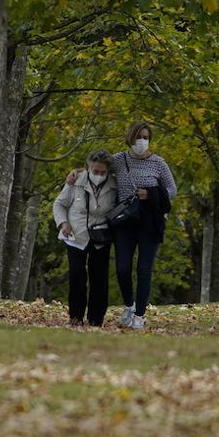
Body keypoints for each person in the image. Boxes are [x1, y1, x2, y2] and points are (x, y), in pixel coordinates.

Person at [68, 122, 177, 329]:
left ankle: (140, 315)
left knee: (144, 268)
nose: (142, 141)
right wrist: (75, 172)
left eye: (145, 137)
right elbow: (98, 167)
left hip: (149, 222)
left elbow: (172, 190)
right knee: (122, 268)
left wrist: (151, 194)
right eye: (138, 137)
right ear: (130, 138)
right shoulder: (119, 159)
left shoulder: (158, 163)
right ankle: (129, 304)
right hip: (124, 222)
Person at [53, 150, 117, 327]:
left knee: (99, 278)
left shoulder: (114, 185)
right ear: (87, 168)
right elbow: (59, 204)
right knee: (77, 276)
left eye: (102, 172)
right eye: (95, 171)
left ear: (108, 172)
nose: (98, 175)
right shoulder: (75, 181)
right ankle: (76, 316)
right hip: (76, 234)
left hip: (101, 236)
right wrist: (63, 223)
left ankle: (96, 318)